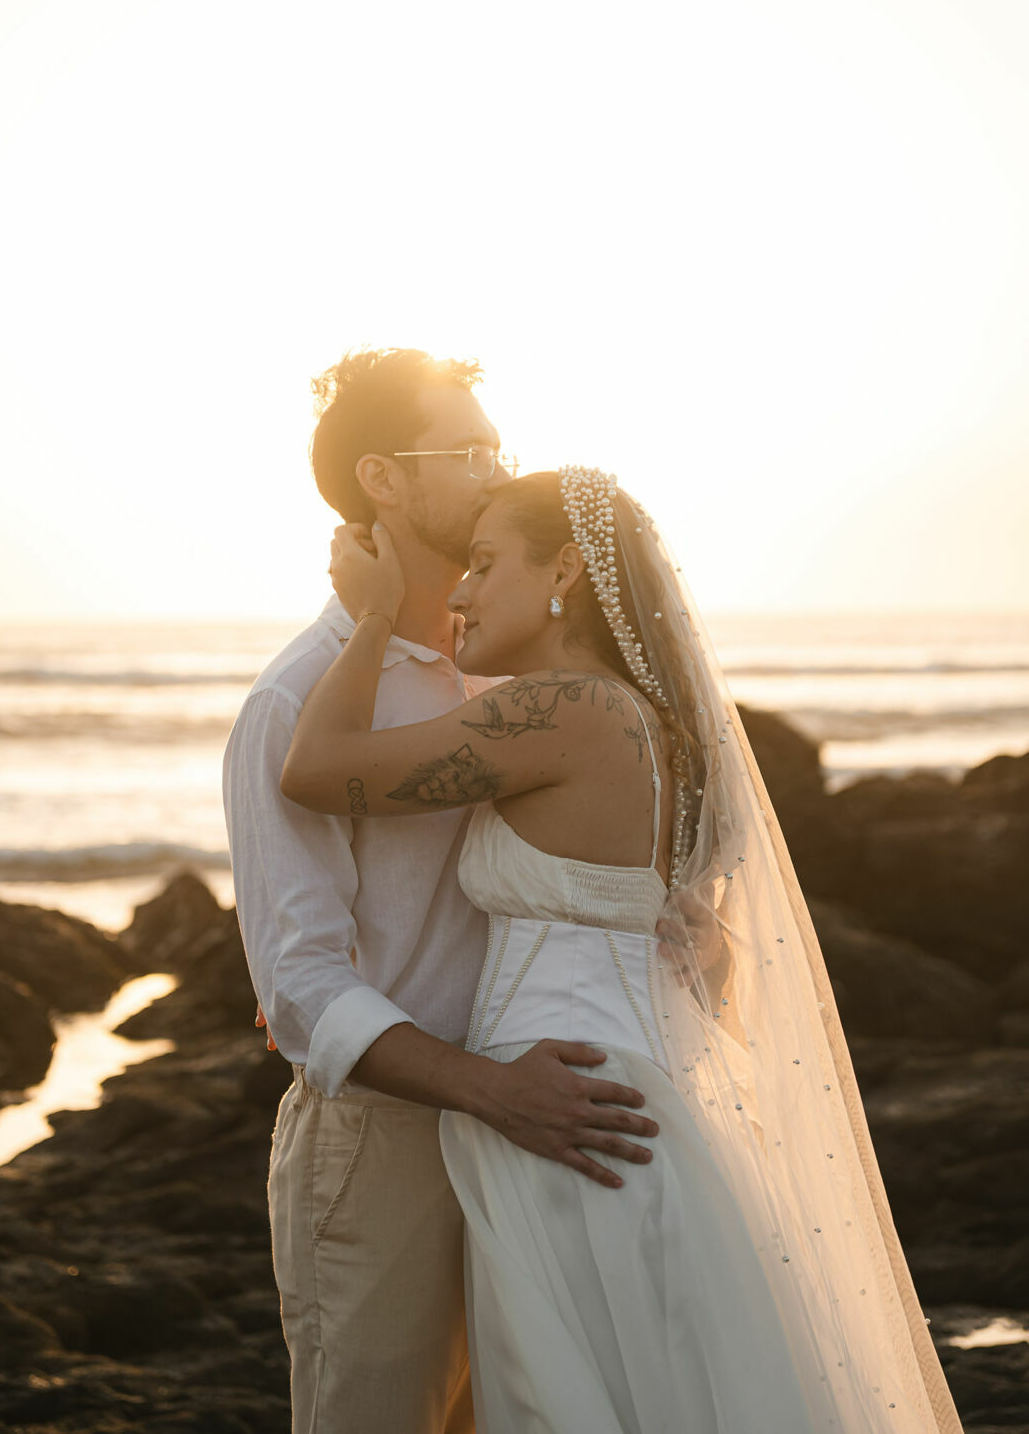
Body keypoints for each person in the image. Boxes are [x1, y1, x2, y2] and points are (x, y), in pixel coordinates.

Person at [280, 465, 965, 1433]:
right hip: (623, 1117)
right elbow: (696, 947)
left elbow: (314, 767)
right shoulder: (664, 732)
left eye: (482, 563)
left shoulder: (565, 711)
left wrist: (374, 612)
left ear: (562, 569)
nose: (462, 590)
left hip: (560, 1127)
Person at [222, 353, 659, 1434]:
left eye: (494, 448)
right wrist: (487, 1088)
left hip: (536, 1127)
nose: (492, 468)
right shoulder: (293, 704)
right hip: (394, 1142)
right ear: (382, 479)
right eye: (464, 452)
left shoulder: (516, 671)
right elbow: (302, 985)